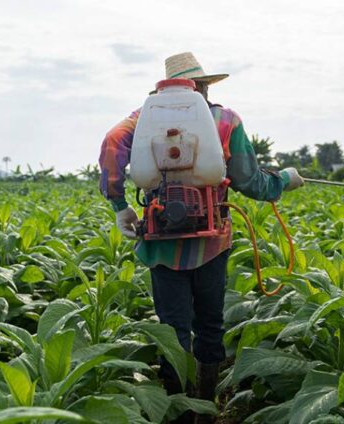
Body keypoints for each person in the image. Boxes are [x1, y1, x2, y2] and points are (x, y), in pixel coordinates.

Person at [98, 52, 303, 422]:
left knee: (172, 329)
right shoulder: (225, 120)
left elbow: (113, 141)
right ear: (203, 86)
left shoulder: (142, 118)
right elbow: (248, 181)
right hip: (212, 240)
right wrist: (283, 181)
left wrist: (119, 205)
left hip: (161, 241)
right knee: (210, 324)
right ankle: (207, 410)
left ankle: (179, 412)